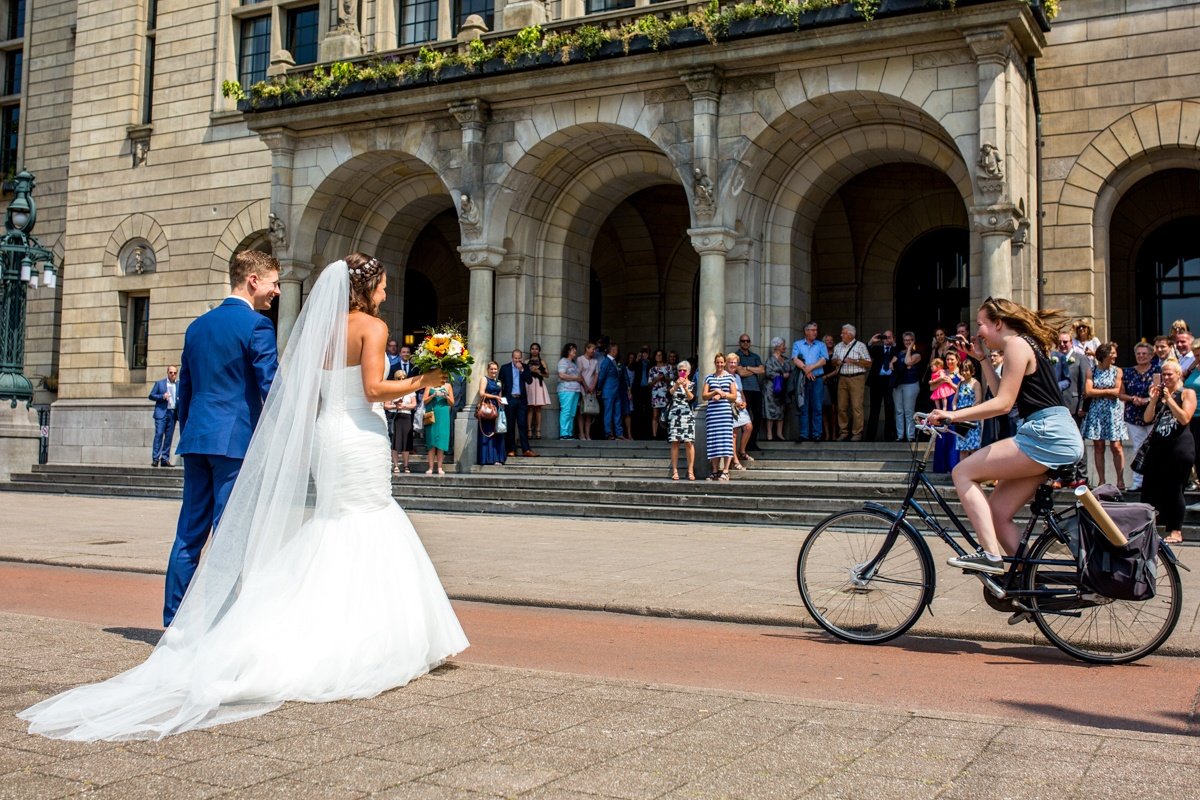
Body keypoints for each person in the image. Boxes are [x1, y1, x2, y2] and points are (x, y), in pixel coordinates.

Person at [19, 254, 467, 740]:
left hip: (246, 437)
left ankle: (181, 626)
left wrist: (197, 432)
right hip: (328, 437)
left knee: (203, 535)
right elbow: (356, 387)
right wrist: (426, 379)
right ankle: (248, 626)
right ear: (368, 287)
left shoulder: (261, 329)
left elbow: (216, 389)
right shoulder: (362, 329)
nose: (385, 292)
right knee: (267, 531)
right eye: (382, 285)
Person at [163, 251, 281, 628]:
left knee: (189, 533)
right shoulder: (257, 326)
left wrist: (189, 431)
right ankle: (219, 623)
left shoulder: (197, 327)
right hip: (234, 442)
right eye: (273, 282)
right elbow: (271, 386)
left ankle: (174, 622)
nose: (276, 291)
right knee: (228, 533)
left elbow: (186, 388)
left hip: (197, 439)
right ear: (252, 281)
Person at [926, 297, 1083, 575]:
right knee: (997, 514)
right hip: (1054, 435)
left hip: (1045, 434)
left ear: (998, 323)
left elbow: (1003, 404)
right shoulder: (1022, 344)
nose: (977, 333)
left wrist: (952, 415)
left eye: (981, 325)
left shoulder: (1015, 345)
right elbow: (1001, 394)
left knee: (962, 472)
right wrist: (983, 358)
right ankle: (1029, 583)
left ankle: (990, 556)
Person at [1141, 360, 1196, 544]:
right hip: (1158, 448)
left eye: (1169, 374)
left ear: (1178, 374)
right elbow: (1147, 418)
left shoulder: (1187, 393)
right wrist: (1154, 400)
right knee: (1149, 488)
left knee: (1175, 489)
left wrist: (1170, 398)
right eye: (1163, 374)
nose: (1165, 378)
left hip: (1179, 448)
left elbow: (1184, 418)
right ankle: (1149, 528)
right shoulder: (1160, 395)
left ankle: (1176, 530)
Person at [1082, 342, 1127, 490]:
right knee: (1099, 446)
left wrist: (1099, 391)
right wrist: (1108, 392)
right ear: (1104, 355)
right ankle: (1101, 481)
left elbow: (1117, 391)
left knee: (1116, 446)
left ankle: (1120, 480)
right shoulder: (1092, 370)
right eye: (1112, 353)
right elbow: (1088, 391)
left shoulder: (1117, 371)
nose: (1115, 356)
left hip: (1112, 412)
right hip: (1096, 412)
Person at [1120, 342, 1158, 493]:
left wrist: (1147, 400)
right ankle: (1137, 482)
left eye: (1144, 354)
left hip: (1152, 413)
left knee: (1153, 449)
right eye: (1138, 354)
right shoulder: (1128, 372)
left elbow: (1160, 392)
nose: (1141, 356)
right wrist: (1132, 398)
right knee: (1137, 448)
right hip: (1133, 415)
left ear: (1151, 356)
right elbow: (1120, 393)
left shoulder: (1157, 371)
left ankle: (1153, 480)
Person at [830, 324, 871, 441]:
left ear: (850, 334)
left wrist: (854, 361)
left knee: (856, 406)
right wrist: (836, 362)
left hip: (856, 378)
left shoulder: (860, 346)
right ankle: (843, 431)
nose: (841, 335)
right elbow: (832, 361)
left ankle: (857, 433)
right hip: (842, 378)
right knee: (841, 406)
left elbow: (868, 363)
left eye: (843, 333)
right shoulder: (838, 346)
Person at [791, 322, 827, 442]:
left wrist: (810, 368)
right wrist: (806, 370)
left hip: (817, 379)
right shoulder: (798, 344)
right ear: (806, 331)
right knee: (803, 406)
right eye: (812, 330)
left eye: (816, 330)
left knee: (817, 407)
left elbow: (823, 361)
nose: (815, 332)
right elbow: (795, 359)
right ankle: (804, 434)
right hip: (803, 380)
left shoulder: (821, 345)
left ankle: (817, 434)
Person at [703, 353, 736, 480]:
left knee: (726, 442)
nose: (720, 365)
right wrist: (715, 392)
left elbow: (733, 396)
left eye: (722, 362)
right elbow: (704, 396)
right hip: (712, 415)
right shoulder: (709, 378)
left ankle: (726, 471)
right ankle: (715, 471)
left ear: (725, 363)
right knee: (714, 442)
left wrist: (723, 395)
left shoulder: (730, 378)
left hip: (725, 415)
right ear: (714, 363)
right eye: (718, 362)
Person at [385, 345, 418, 474]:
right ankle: (396, 465)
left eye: (403, 378)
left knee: (406, 444)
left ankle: (406, 465)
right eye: (399, 378)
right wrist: (395, 406)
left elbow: (414, 404)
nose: (402, 380)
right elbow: (386, 405)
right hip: (395, 417)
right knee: (395, 443)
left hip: (407, 416)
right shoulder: (391, 391)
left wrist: (404, 406)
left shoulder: (414, 371)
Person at [499, 348, 535, 457]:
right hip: (510, 399)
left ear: (522, 358)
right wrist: (501, 398)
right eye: (515, 358)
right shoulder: (505, 368)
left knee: (522, 425)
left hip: (521, 400)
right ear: (512, 358)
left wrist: (522, 371)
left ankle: (526, 450)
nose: (517, 361)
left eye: (519, 358)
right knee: (510, 425)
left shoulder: (525, 367)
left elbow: (529, 381)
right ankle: (511, 450)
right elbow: (500, 383)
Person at [666, 360, 696, 480]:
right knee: (675, 442)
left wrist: (686, 388)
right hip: (675, 415)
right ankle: (675, 470)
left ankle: (690, 470)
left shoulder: (693, 384)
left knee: (688, 442)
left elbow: (692, 399)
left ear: (688, 372)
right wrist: (677, 385)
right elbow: (668, 395)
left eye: (684, 370)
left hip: (687, 415)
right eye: (680, 370)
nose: (682, 372)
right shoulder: (673, 382)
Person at [735, 334, 764, 452]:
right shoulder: (736, 356)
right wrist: (754, 369)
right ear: (739, 342)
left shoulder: (755, 356)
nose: (745, 343)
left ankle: (752, 441)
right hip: (744, 390)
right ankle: (744, 445)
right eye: (743, 341)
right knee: (744, 418)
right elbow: (740, 373)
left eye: (748, 341)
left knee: (758, 416)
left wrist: (747, 368)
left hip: (756, 389)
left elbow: (762, 370)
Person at [891, 331, 922, 442]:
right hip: (898, 384)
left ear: (913, 341)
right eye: (905, 340)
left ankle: (910, 436)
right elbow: (891, 365)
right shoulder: (898, 353)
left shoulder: (917, 354)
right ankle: (900, 436)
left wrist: (909, 349)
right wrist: (902, 366)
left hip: (911, 384)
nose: (907, 342)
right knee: (899, 411)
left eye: (910, 340)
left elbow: (908, 362)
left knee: (909, 411)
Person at [866, 330, 897, 442]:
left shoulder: (895, 350)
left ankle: (889, 436)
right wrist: (871, 341)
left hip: (889, 382)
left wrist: (893, 343)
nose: (887, 339)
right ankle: (870, 436)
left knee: (889, 409)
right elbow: (866, 351)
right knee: (874, 409)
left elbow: (900, 354)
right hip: (876, 382)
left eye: (889, 337)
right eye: (885, 337)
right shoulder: (878, 349)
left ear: (893, 338)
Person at [148, 365, 179, 467]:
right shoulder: (160, 383)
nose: (172, 375)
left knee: (169, 437)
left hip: (173, 413)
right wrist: (162, 396)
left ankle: (165, 459)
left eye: (174, 373)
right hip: (161, 413)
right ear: (167, 373)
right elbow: (151, 395)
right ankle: (155, 459)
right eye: (171, 372)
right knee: (159, 434)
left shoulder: (178, 385)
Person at [726, 351, 753, 468]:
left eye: (735, 363)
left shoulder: (737, 376)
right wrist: (735, 402)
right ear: (727, 364)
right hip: (730, 405)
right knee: (734, 433)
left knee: (748, 426)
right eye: (731, 362)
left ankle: (742, 451)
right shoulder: (724, 376)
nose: (733, 365)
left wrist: (744, 402)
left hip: (740, 405)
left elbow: (741, 392)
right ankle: (735, 459)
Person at [477, 361, 506, 466]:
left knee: (497, 431)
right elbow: (481, 393)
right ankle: (487, 459)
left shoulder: (499, 381)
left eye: (495, 369)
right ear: (488, 370)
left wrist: (501, 402)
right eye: (491, 369)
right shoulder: (484, 379)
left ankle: (498, 458)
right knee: (488, 431)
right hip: (488, 409)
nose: (493, 371)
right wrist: (495, 397)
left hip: (497, 408)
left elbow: (500, 394)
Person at [423, 378, 453, 475]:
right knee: (431, 440)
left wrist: (446, 397)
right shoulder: (429, 385)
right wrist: (433, 395)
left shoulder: (448, 386)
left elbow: (452, 403)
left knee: (441, 441)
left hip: (443, 415)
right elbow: (424, 401)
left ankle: (440, 467)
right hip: (432, 414)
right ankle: (431, 467)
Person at [762, 337, 790, 441]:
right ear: (777, 346)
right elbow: (768, 372)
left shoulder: (786, 359)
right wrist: (782, 375)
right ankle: (769, 433)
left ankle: (779, 433)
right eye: (783, 345)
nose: (785, 347)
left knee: (781, 409)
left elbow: (790, 370)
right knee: (770, 409)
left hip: (782, 388)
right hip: (771, 388)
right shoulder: (770, 359)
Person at [596, 341, 624, 440]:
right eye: (616, 349)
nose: (617, 351)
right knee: (608, 412)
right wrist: (599, 388)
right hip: (608, 391)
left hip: (616, 391)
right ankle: (608, 433)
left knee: (617, 412)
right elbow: (601, 376)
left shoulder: (614, 361)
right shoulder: (606, 361)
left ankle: (619, 433)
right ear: (612, 350)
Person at [955, 360, 982, 457]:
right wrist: (954, 412)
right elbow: (955, 400)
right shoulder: (960, 384)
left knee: (974, 448)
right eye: (962, 370)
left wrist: (968, 412)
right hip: (961, 419)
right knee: (963, 449)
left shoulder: (976, 383)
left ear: (972, 371)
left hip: (971, 417)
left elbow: (978, 400)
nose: (964, 373)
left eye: (966, 370)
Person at [524, 342, 549, 440]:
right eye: (532, 348)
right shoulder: (526, 361)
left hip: (539, 384)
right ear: (530, 350)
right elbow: (522, 374)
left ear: (539, 351)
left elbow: (547, 375)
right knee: (530, 408)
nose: (534, 350)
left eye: (536, 349)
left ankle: (538, 430)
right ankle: (529, 430)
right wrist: (529, 371)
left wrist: (538, 371)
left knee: (538, 409)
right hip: (529, 385)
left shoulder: (542, 362)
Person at [556, 343, 582, 439]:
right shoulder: (563, 361)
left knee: (572, 413)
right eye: (572, 349)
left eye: (575, 348)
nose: (574, 350)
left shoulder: (573, 364)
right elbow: (561, 375)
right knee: (566, 411)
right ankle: (564, 433)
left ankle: (569, 433)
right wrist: (575, 378)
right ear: (567, 351)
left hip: (575, 391)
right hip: (566, 390)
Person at [648, 349, 674, 439]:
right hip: (656, 394)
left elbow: (672, 381)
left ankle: (666, 434)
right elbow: (649, 384)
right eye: (657, 355)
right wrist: (656, 379)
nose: (658, 357)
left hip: (666, 393)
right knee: (655, 415)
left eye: (660, 355)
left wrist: (664, 378)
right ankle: (654, 435)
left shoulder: (668, 367)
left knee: (666, 414)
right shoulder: (652, 369)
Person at [577, 342, 599, 440]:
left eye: (594, 350)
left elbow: (596, 374)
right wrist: (585, 386)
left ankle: (588, 434)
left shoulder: (595, 361)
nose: (593, 351)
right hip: (581, 388)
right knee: (581, 411)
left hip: (591, 389)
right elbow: (579, 373)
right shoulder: (580, 359)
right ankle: (581, 433)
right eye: (592, 349)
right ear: (587, 348)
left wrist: (593, 386)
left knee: (589, 411)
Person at [821, 333, 840, 440]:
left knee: (833, 410)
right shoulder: (821, 354)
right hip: (823, 384)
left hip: (833, 383)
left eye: (831, 340)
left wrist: (826, 376)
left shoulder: (836, 354)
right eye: (827, 340)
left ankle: (834, 434)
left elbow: (838, 370)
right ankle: (827, 434)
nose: (830, 342)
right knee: (824, 409)